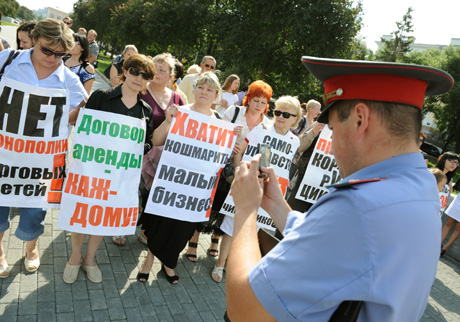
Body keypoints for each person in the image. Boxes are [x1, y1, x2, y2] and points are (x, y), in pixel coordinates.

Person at [226, 56, 454, 321]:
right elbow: (342, 246)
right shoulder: (423, 187)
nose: (332, 147)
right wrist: (276, 205)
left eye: (333, 131)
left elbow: (245, 309)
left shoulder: (359, 206)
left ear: (360, 119)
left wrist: (245, 210)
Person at [0, 18, 87, 279]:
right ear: (34, 39)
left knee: (34, 207)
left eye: (60, 54)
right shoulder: (8, 59)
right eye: (46, 50)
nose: (52, 58)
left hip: (40, 160)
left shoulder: (68, 79)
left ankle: (31, 248)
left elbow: (84, 106)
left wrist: (65, 121)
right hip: (4, 152)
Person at [63, 54, 155, 284]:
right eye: (134, 71)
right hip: (91, 170)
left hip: (119, 176)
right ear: (125, 71)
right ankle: (75, 256)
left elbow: (146, 144)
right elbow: (83, 130)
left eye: (145, 76)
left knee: (102, 215)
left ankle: (90, 259)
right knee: (83, 211)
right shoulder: (101, 97)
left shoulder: (146, 111)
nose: (138, 78)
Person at [137, 71, 222, 284]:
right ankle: (148, 261)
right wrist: (167, 121)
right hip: (170, 182)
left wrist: (234, 145)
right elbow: (156, 141)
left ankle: (169, 262)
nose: (204, 92)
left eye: (209, 89)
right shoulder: (179, 112)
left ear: (216, 95)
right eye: (201, 87)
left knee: (182, 229)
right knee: (160, 223)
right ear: (194, 90)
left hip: (195, 190)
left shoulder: (220, 123)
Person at [212, 95, 300, 283]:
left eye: (286, 114)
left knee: (255, 230)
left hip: (270, 193)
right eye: (277, 112)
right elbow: (241, 150)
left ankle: (236, 266)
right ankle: (220, 263)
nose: (280, 117)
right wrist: (238, 171)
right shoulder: (261, 129)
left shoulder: (295, 141)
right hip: (249, 185)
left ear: (295, 119)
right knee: (231, 225)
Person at [185, 80, 274, 264]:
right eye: (256, 100)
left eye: (263, 102)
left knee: (228, 207)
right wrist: (231, 140)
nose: (259, 105)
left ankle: (215, 241)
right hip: (221, 164)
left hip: (244, 172)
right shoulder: (233, 112)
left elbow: (265, 152)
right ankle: (193, 242)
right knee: (209, 202)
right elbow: (215, 134)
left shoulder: (267, 125)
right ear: (248, 99)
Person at [111, 52, 186, 247]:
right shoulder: (140, 91)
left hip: (163, 157)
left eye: (163, 70)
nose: (157, 73)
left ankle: (145, 231)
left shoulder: (178, 99)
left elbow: (187, 126)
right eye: (155, 68)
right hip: (134, 150)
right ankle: (118, 227)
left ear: (171, 76)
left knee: (152, 195)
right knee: (128, 189)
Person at [437, 152, 460, 257]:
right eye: (451, 161)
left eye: (456, 163)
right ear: (443, 159)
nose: (454, 164)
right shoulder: (435, 174)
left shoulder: (448, 182)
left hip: (436, 217)